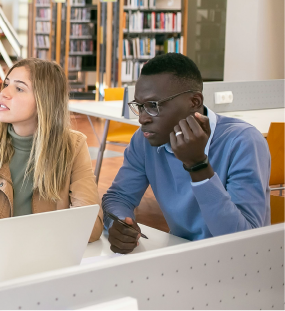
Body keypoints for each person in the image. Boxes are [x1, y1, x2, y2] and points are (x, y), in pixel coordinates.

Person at [102, 53, 271, 254]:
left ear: (194, 101)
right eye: (140, 107)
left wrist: (197, 165)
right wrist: (119, 223)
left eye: (153, 106)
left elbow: (244, 245)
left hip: (237, 269)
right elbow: (119, 197)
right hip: (182, 258)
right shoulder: (144, 140)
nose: (142, 119)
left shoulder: (242, 141)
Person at [0, 58, 104, 252]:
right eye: (6, 84)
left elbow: (91, 226)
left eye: (19, 88)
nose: (4, 93)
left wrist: (20, 243)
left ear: (45, 99)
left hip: (47, 262)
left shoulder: (73, 146)